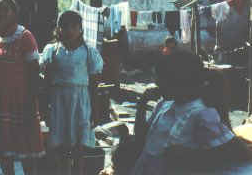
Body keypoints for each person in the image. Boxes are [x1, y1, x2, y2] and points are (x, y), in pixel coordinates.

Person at [102, 50, 252, 175]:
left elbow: (235, 152)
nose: (157, 83)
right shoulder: (164, 105)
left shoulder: (202, 114)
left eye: (161, 78)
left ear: (179, 81)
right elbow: (142, 138)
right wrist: (142, 104)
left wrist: (191, 156)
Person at [0, 0, 44, 175]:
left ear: (14, 13)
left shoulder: (25, 37)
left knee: (26, 151)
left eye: (4, 9)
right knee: (3, 150)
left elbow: (33, 73)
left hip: (21, 102)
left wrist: (31, 102)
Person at [40, 10, 103, 175]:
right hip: (59, 102)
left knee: (79, 146)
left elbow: (94, 85)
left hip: (81, 101)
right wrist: (44, 107)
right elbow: (46, 83)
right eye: (64, 26)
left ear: (80, 29)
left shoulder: (88, 52)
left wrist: (95, 110)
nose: (69, 30)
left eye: (74, 26)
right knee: (60, 145)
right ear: (58, 29)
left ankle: (79, 171)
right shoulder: (52, 51)